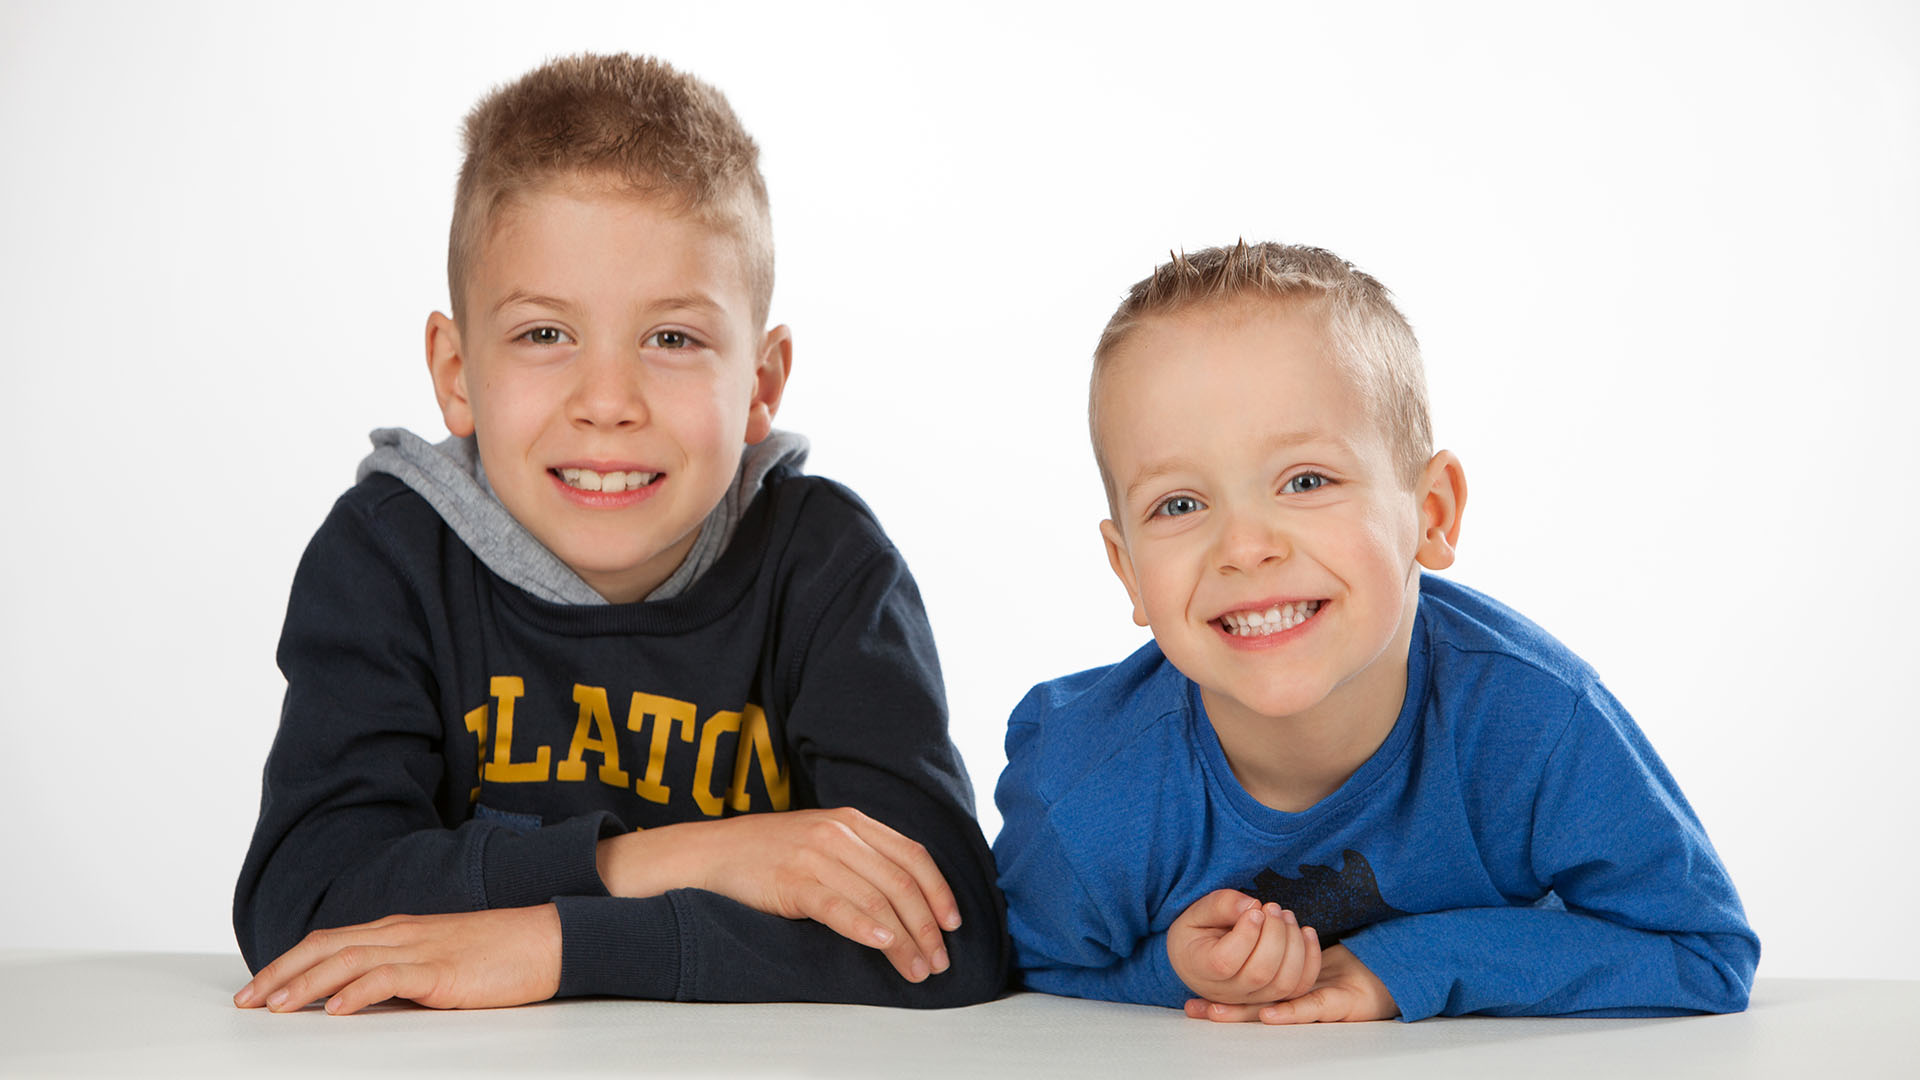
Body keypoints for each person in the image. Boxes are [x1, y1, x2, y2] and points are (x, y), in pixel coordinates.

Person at [232, 53, 1005, 1016]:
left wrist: (557, 947)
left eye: (673, 338)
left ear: (761, 382)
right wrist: (689, 857)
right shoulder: (390, 556)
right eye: (545, 335)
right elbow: (305, 908)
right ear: (456, 370)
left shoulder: (826, 567)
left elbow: (950, 939)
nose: (608, 403)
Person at [992, 241, 1757, 1024]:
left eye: (1307, 481)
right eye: (1179, 505)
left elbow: (1701, 951)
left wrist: (1402, 967)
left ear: (1432, 513)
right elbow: (1016, 960)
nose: (1245, 546)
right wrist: (1175, 971)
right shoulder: (1083, 793)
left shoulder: (1538, 725)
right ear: (1127, 571)